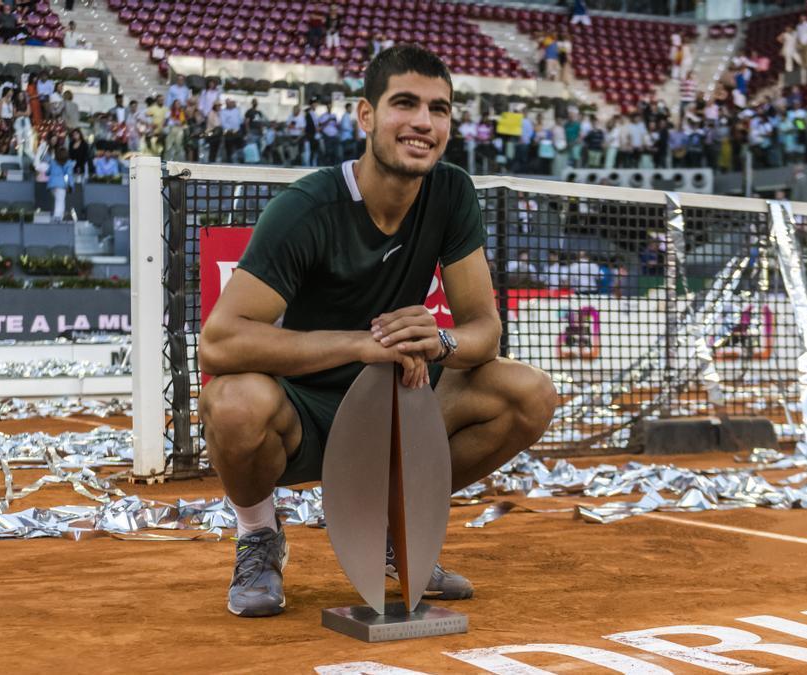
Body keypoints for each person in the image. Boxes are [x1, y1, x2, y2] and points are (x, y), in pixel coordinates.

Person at [198, 45, 556, 618]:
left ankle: (399, 530)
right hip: (304, 412)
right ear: (366, 116)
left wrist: (436, 340)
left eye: (438, 109)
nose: (423, 122)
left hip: (402, 404)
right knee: (234, 402)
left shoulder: (451, 191)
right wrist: (367, 343)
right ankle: (260, 536)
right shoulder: (306, 208)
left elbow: (483, 330)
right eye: (405, 104)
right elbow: (218, 342)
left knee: (528, 392)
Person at [47, 147, 75, 221]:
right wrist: (71, 186)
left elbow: (47, 172)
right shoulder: (68, 163)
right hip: (61, 185)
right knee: (60, 202)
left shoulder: (52, 162)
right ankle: (57, 219)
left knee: (58, 200)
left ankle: (58, 218)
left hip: (51, 185)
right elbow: (70, 175)